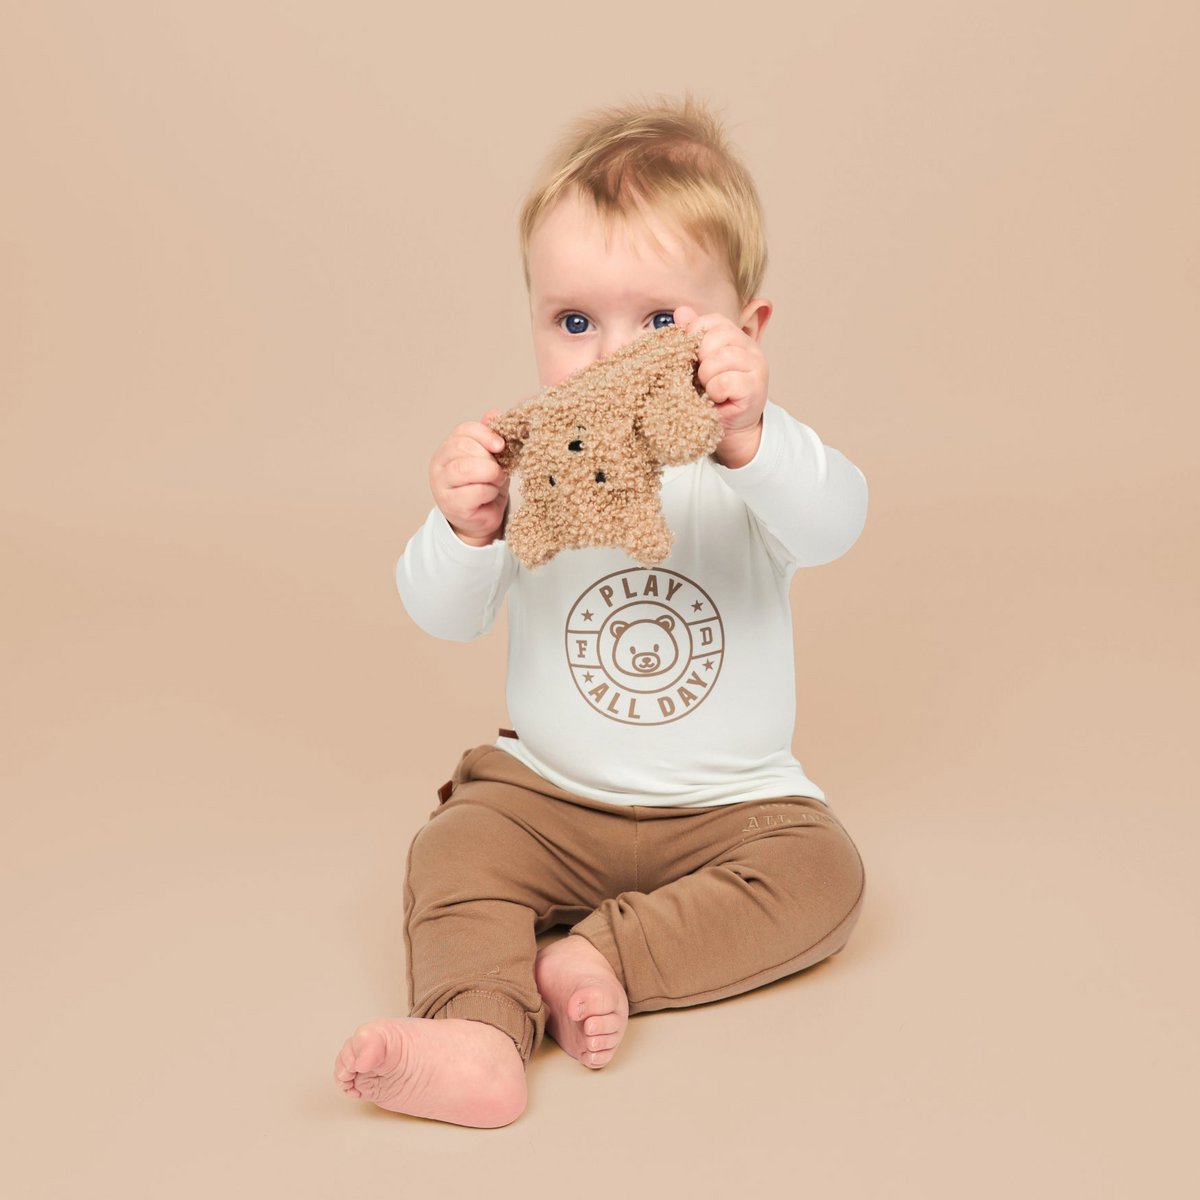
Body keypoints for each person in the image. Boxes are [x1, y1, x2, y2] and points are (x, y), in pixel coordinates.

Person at [334, 94, 869, 1128]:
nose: (610, 356)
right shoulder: (531, 467)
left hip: (729, 809)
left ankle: (596, 955)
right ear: (535, 319)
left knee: (824, 875)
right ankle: (480, 1035)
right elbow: (443, 617)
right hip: (549, 795)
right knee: (453, 848)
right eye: (574, 323)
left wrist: (752, 434)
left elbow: (836, 521)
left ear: (746, 332)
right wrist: (465, 529)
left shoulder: (751, 468)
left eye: (661, 323)